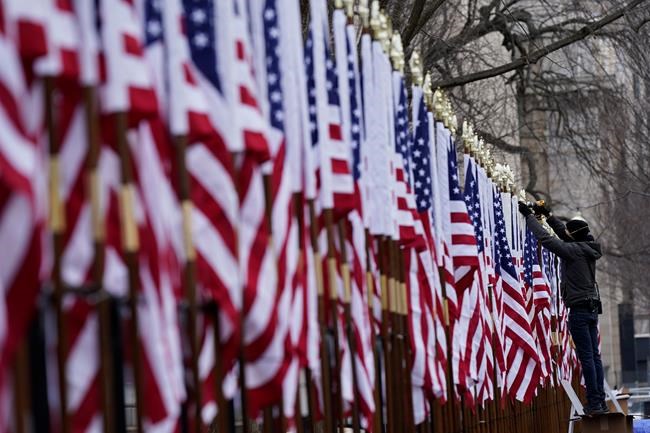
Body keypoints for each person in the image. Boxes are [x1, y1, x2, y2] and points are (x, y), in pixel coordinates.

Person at [518, 201, 608, 416]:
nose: (566, 233)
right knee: (594, 357)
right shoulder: (587, 248)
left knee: (586, 357)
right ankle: (600, 402)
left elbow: (547, 239)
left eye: (569, 232)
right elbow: (566, 235)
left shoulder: (573, 252)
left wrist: (529, 217)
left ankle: (594, 404)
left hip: (578, 309)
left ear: (574, 236)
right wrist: (548, 216)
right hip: (591, 308)